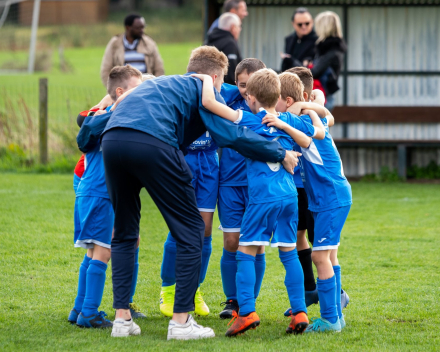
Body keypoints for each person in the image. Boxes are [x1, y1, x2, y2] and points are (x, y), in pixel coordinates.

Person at [84, 45, 301, 340]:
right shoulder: (203, 88)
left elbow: (89, 128)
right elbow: (229, 135)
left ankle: (122, 321)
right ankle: (181, 322)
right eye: (221, 80)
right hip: (153, 142)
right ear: (214, 77)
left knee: (123, 232)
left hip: (113, 141)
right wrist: (280, 152)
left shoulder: (155, 84)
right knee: (191, 232)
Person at [193, 68, 326, 337]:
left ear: (250, 97)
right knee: (288, 253)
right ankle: (299, 311)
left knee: (245, 251)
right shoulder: (289, 119)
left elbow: (209, 103)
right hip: (289, 196)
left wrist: (206, 79)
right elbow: (316, 132)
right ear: (278, 95)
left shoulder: (249, 119)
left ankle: (246, 312)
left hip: (262, 197)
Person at [265, 71, 352, 333]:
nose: (273, 105)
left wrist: (281, 121)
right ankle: (335, 314)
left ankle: (330, 320)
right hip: (333, 197)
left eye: (276, 100)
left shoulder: (300, 119)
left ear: (288, 101)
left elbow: (309, 133)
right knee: (329, 255)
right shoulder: (312, 114)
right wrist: (312, 103)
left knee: (319, 255)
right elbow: (321, 110)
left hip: (330, 199)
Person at [69, 65, 143, 329]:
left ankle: (78, 308)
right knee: (102, 252)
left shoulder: (97, 117)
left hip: (89, 192)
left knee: (91, 252)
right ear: (121, 92)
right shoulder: (110, 118)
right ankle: (89, 313)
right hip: (102, 194)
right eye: (136, 89)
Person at [217, 58, 267, 319]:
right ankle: (232, 301)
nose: (246, 91)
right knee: (231, 241)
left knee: (256, 245)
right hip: (229, 183)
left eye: (252, 85)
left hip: (258, 185)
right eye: (241, 84)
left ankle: (250, 300)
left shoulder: (269, 102)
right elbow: (204, 84)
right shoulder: (227, 97)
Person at [159, 130, 219, 318]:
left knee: (205, 228)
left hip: (209, 161)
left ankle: (195, 289)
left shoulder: (228, 98)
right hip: (183, 158)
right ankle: (168, 290)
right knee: (180, 225)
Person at [100, 13, 164, 87]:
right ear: (128, 27)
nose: (142, 30)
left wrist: (154, 87)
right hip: (123, 90)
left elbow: (159, 69)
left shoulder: (149, 43)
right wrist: (115, 90)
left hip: (146, 88)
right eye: (138, 28)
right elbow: (106, 70)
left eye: (143, 27)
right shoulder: (115, 44)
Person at [310, 11, 347, 111]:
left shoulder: (331, 51)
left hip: (322, 98)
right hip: (323, 96)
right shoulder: (332, 48)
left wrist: (294, 63)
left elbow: (314, 72)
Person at [207, 13, 242, 85]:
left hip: (207, 86)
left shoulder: (209, 41)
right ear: (233, 27)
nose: (240, 29)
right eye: (239, 26)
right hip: (223, 90)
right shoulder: (230, 44)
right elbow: (231, 72)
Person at [281, 8, 318, 72]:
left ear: (312, 22)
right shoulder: (289, 39)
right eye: (300, 24)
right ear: (293, 24)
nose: (304, 27)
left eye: (307, 23)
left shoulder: (318, 40)